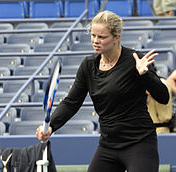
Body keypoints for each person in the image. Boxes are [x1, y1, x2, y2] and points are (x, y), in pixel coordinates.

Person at [36, 11, 169, 172]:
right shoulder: (88, 65)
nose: (95, 41)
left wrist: (145, 75)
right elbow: (72, 102)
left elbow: (163, 97)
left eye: (102, 37)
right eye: (93, 35)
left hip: (139, 143)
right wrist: (51, 127)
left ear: (116, 37)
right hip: (108, 145)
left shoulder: (135, 61)